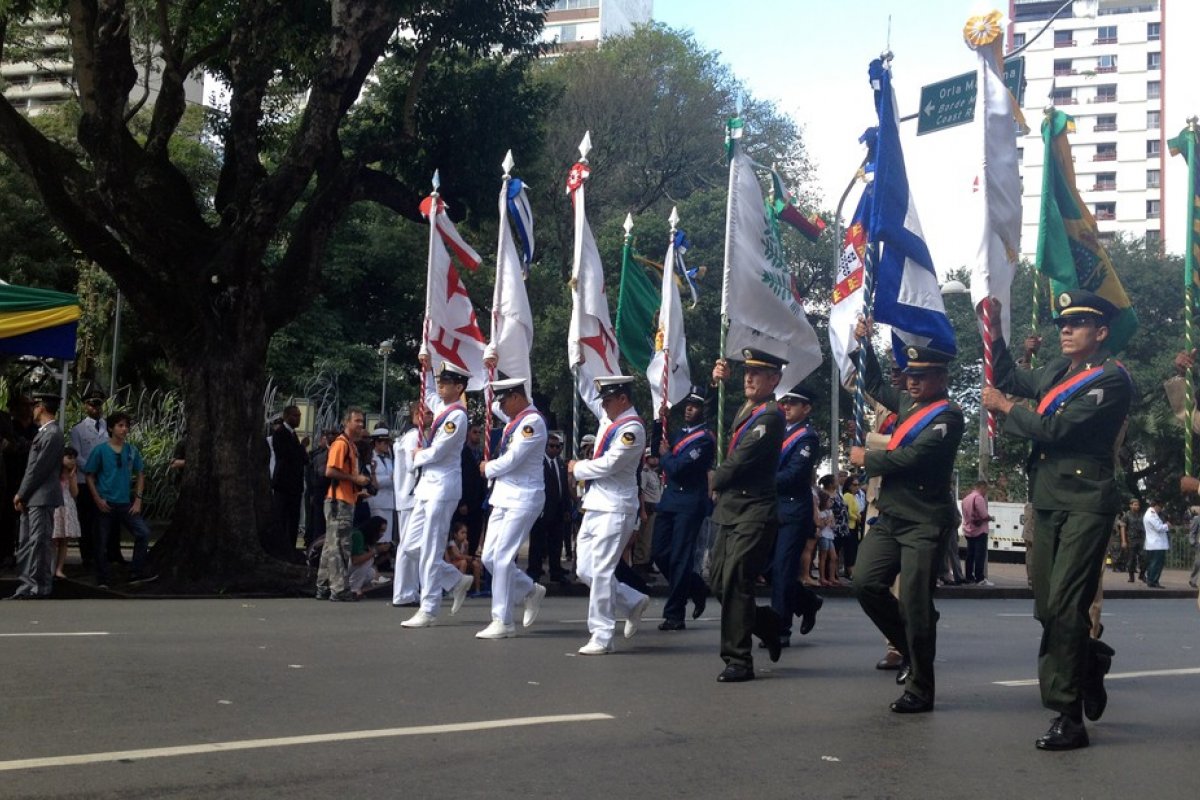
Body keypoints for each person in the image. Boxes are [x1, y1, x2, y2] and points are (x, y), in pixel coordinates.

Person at [981, 290, 1132, 750]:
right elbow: (1006, 374)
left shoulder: (1112, 380)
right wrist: (994, 325)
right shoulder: (1054, 372)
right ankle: (1090, 659)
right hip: (1046, 501)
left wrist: (1006, 407)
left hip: (1087, 501)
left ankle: (1067, 715)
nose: (1065, 330)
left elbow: (1057, 429)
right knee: (1047, 608)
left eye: (1078, 323)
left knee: (1067, 607)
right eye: (1063, 324)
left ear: (1101, 332)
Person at [851, 320, 964, 715]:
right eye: (910, 375)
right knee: (865, 582)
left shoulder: (948, 416)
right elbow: (877, 386)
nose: (912, 382)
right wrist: (863, 344)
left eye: (922, 376)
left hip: (925, 521)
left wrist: (871, 459)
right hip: (893, 515)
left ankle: (921, 688)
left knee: (915, 602)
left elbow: (914, 458)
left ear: (940, 377)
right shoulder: (908, 404)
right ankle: (910, 644)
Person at [708, 349, 787, 683]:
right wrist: (717, 388)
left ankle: (739, 659)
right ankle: (766, 623)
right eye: (746, 373)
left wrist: (714, 480)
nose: (749, 378)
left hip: (754, 508)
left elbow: (741, 459)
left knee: (737, 578)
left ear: (775, 379)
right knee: (717, 582)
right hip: (730, 509)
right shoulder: (746, 409)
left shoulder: (771, 415)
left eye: (758, 373)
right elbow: (720, 428)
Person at [567, 375, 651, 655]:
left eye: (608, 400)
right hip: (596, 504)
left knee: (602, 571)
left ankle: (602, 635)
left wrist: (577, 468)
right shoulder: (610, 420)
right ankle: (630, 600)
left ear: (623, 399)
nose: (603, 405)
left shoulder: (632, 429)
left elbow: (610, 464)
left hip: (616, 506)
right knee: (584, 570)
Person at [397, 361, 475, 628]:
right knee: (409, 546)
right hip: (427, 487)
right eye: (440, 382)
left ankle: (428, 608)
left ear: (459, 387)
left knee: (431, 548)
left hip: (442, 487)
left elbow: (440, 451)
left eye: (446, 384)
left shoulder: (457, 415)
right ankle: (453, 579)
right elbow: (427, 390)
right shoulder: (441, 406)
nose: (440, 387)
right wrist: (426, 365)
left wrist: (418, 457)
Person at [476, 376, 549, 639]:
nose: (501, 407)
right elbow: (491, 404)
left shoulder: (532, 423)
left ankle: (503, 620)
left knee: (504, 558)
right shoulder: (514, 419)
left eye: (504, 401)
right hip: (504, 496)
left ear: (517, 398)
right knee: (488, 558)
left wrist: (488, 469)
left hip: (524, 497)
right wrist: (488, 369)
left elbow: (513, 459)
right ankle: (529, 590)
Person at [650, 385, 714, 631]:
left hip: (689, 503)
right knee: (659, 553)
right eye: (687, 404)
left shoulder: (705, 439)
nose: (689, 409)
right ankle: (695, 586)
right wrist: (659, 422)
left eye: (694, 406)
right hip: (670, 501)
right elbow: (658, 453)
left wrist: (666, 457)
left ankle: (675, 614)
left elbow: (677, 467)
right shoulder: (678, 434)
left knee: (679, 557)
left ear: (702, 410)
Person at [770, 384, 822, 645]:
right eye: (785, 402)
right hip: (772, 507)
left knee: (782, 569)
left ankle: (780, 629)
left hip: (792, 509)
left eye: (794, 403)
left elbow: (793, 475)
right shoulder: (778, 432)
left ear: (807, 408)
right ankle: (806, 601)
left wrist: (762, 481)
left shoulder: (807, 438)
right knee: (770, 568)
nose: (786, 407)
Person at [84, 411, 155, 586]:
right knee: (101, 541)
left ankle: (135, 572)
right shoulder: (100, 450)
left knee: (143, 533)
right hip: (105, 502)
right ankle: (103, 578)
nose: (124, 429)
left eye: (126, 426)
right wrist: (97, 499)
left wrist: (138, 499)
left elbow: (140, 474)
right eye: (120, 425)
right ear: (111, 428)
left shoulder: (131, 450)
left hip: (125, 503)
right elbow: (89, 476)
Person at [8, 393, 65, 599]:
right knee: (26, 543)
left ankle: (39, 586)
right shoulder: (45, 433)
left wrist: (21, 493)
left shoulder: (52, 434)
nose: (31, 411)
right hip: (33, 497)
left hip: (41, 496)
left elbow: (38, 469)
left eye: (34, 406)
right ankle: (26, 585)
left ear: (41, 407)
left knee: (39, 543)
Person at [315, 407, 371, 602]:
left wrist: (357, 485)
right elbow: (330, 471)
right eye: (357, 421)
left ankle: (323, 586)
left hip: (345, 497)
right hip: (339, 500)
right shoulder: (342, 444)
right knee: (340, 545)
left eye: (362, 421)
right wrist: (354, 478)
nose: (360, 425)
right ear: (347, 423)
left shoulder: (350, 446)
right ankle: (339, 588)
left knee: (331, 545)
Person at [69, 388, 108, 568]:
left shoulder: (109, 427)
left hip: (104, 480)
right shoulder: (78, 429)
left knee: (103, 519)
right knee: (86, 519)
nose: (96, 408)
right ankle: (87, 556)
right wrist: (92, 469)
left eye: (98, 404)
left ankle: (103, 553)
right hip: (85, 480)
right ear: (86, 406)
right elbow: (76, 455)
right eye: (92, 404)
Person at [528, 432, 571, 585]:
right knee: (538, 542)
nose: (555, 449)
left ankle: (556, 571)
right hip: (542, 508)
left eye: (558, 446)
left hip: (558, 509)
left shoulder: (560, 464)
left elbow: (564, 487)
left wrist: (566, 508)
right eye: (551, 446)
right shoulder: (539, 463)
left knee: (556, 542)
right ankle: (534, 570)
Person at [391, 406, 422, 606]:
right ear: (415, 416)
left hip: (408, 496)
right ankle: (403, 593)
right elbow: (413, 466)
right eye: (426, 413)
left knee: (411, 545)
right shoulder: (414, 437)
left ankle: (410, 590)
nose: (431, 416)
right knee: (408, 545)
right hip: (411, 496)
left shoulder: (413, 436)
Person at [268, 404, 306, 559]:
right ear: (287, 416)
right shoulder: (280, 434)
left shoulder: (293, 435)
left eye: (299, 416)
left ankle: (291, 549)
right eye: (295, 416)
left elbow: (302, 459)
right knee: (282, 518)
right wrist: (301, 447)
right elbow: (286, 455)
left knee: (293, 519)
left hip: (295, 486)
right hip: (283, 485)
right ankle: (281, 550)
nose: (298, 419)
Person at [52, 446, 81, 579]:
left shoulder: (72, 474)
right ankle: (50, 567)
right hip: (55, 506)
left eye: (74, 458)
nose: (72, 461)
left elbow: (75, 493)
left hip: (68, 506)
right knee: (52, 539)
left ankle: (59, 568)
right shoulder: (54, 473)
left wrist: (70, 478)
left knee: (64, 540)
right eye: (69, 458)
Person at [366, 426, 397, 548]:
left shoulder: (389, 460)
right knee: (378, 534)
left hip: (389, 501)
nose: (387, 445)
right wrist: (391, 479)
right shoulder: (370, 458)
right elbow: (374, 481)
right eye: (384, 442)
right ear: (376, 443)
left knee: (387, 534)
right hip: (377, 501)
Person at [961, 480, 994, 586]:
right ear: (982, 487)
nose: (986, 493)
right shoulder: (978, 498)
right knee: (980, 555)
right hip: (980, 531)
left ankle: (969, 576)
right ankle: (980, 578)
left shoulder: (966, 499)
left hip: (969, 530)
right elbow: (983, 515)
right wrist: (991, 518)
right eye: (986, 490)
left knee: (970, 555)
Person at [1142, 499, 1169, 589]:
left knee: (1153, 563)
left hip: (1154, 543)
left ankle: (1151, 580)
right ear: (1156, 505)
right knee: (1157, 564)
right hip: (1157, 544)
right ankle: (1153, 581)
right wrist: (1167, 525)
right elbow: (1159, 528)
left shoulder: (1151, 514)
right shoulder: (1151, 514)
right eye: (1160, 507)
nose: (1161, 509)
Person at [1121, 498, 1146, 584]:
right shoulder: (1127, 515)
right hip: (1131, 539)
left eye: (1138, 505)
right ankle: (1131, 577)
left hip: (1141, 539)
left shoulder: (1142, 514)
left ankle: (1142, 575)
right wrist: (1124, 541)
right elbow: (1123, 527)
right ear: (1130, 505)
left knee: (1144, 557)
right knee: (1131, 559)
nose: (1137, 506)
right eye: (1135, 505)